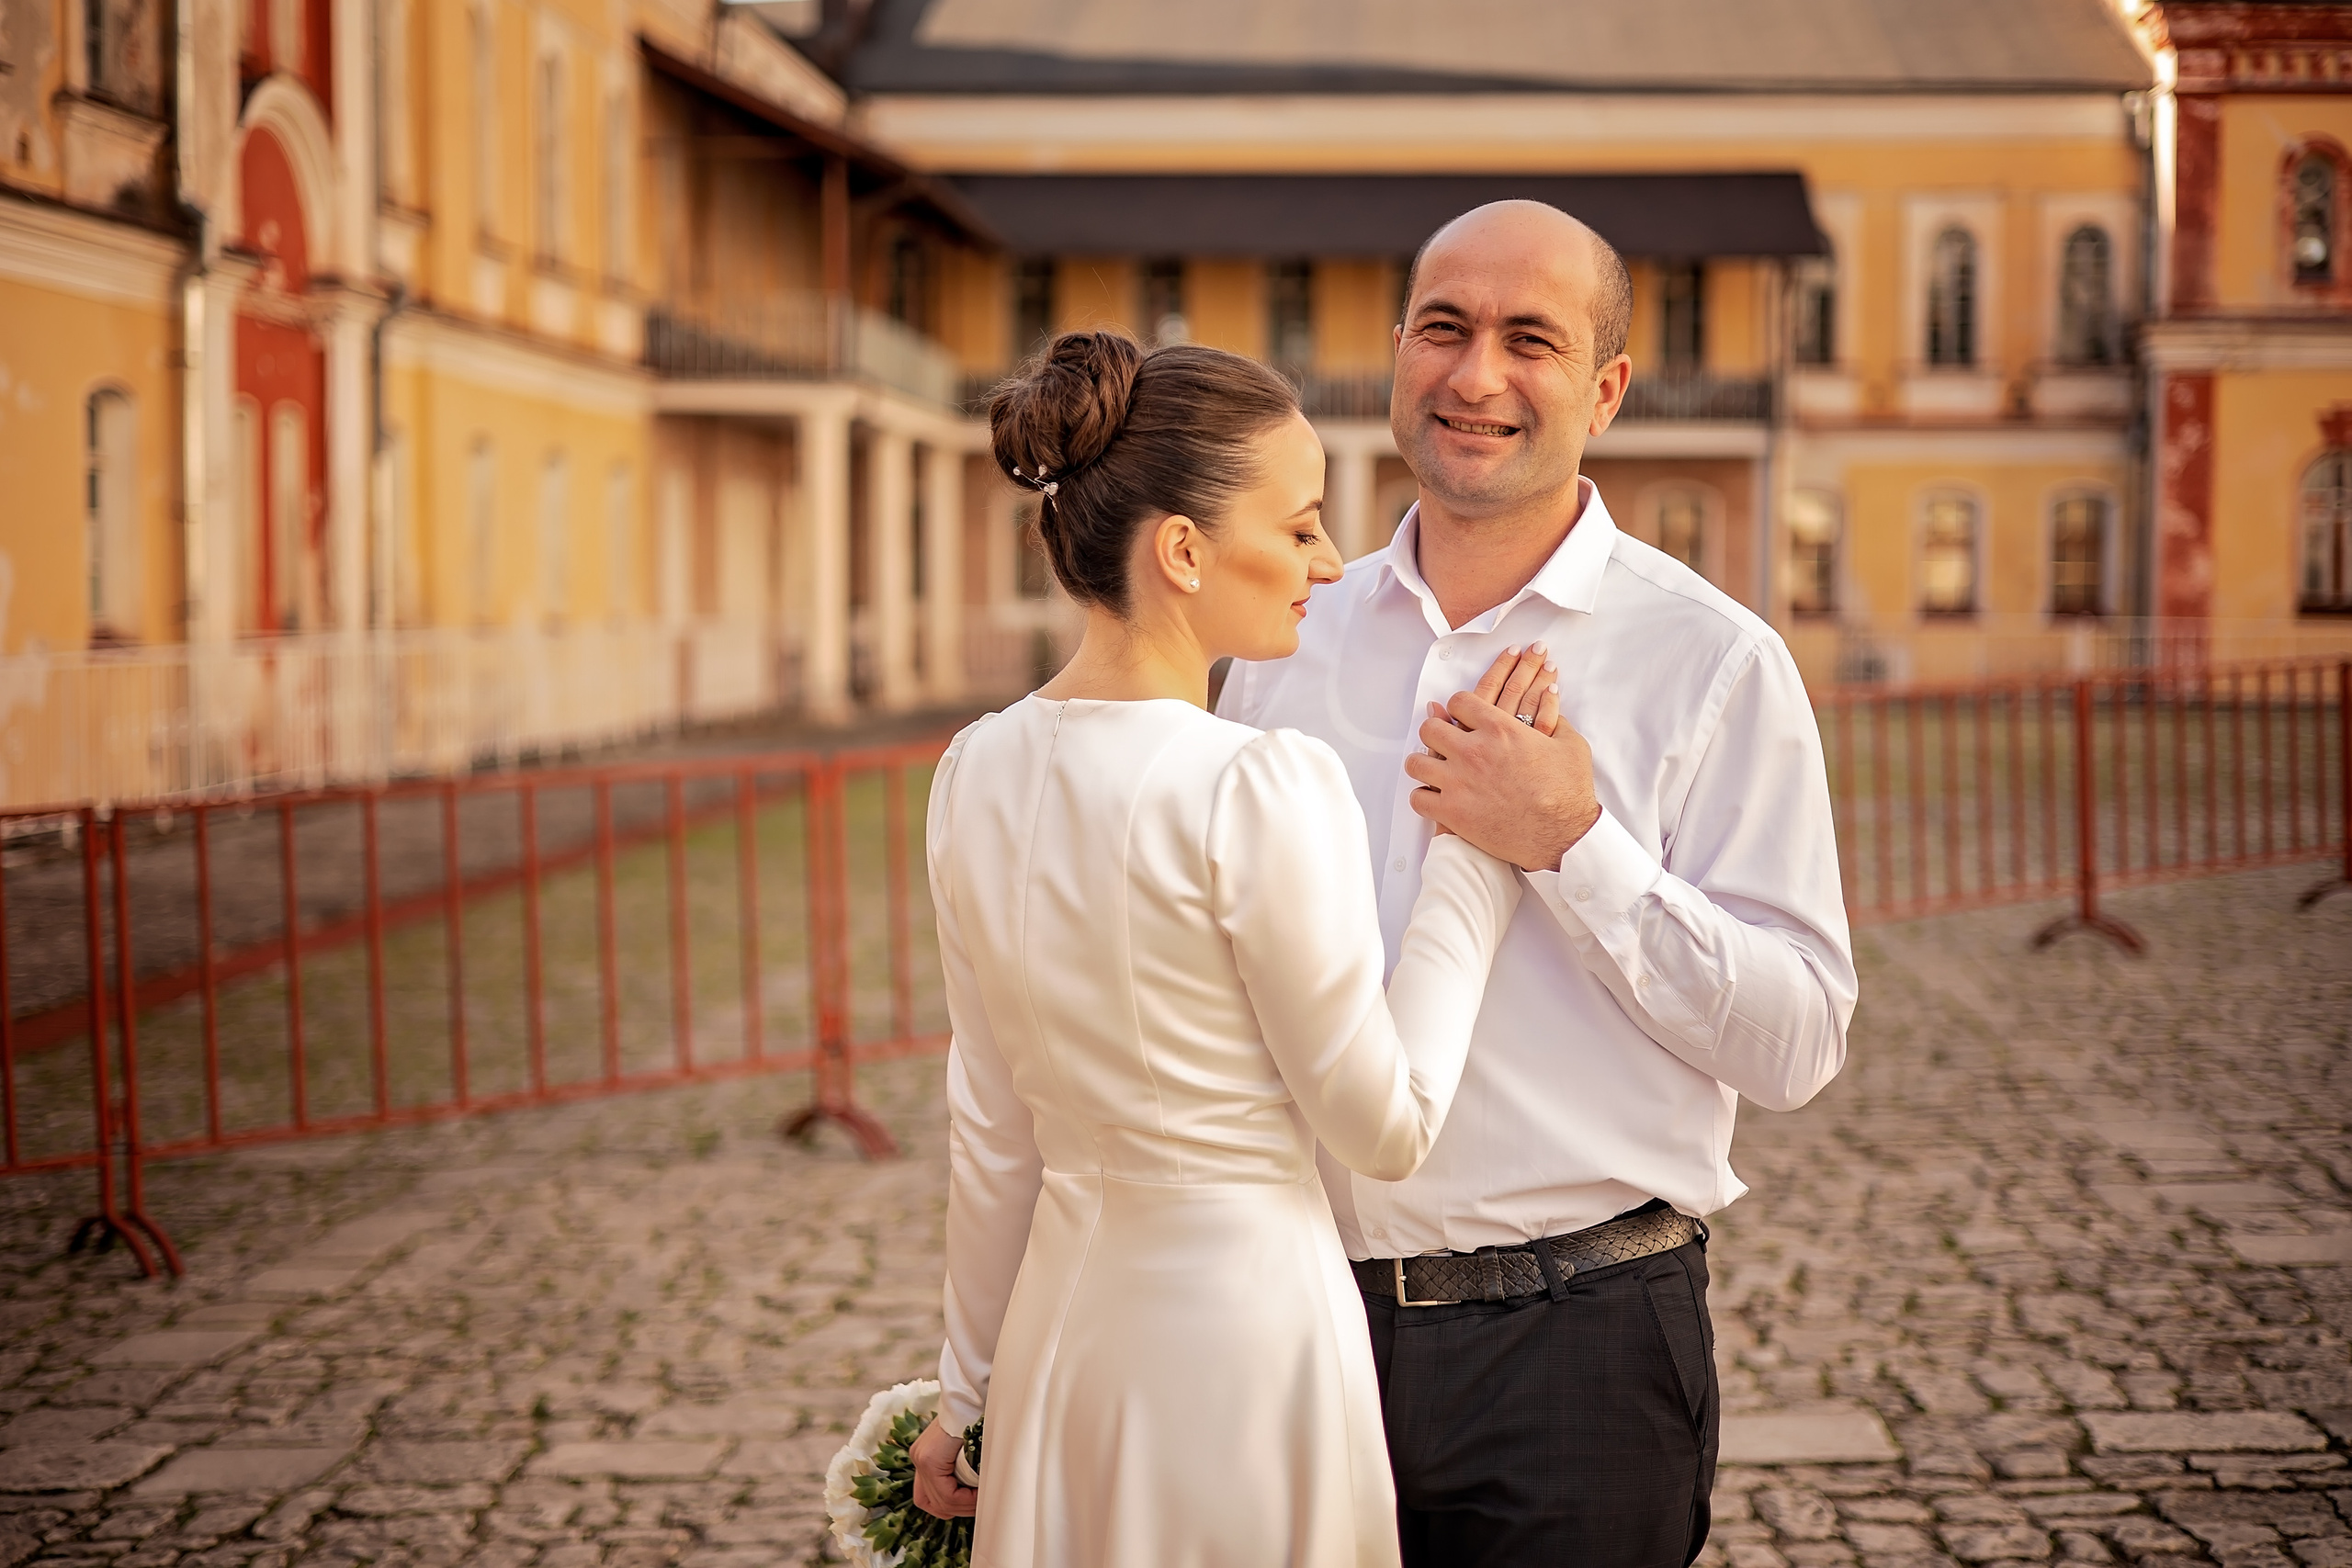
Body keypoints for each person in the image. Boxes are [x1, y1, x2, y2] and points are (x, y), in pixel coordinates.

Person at [1216, 200, 1858, 1567]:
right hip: (1284, 1327)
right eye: (1443, 328)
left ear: (1608, 389)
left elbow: (1799, 1038)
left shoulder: (1715, 663)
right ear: (1397, 352)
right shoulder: (1275, 639)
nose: (1476, 375)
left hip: (1577, 1350)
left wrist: (1577, 842)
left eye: (1532, 340)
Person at [902, 331, 1558, 1566]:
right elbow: (1385, 1125)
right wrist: (1477, 862)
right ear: (1185, 550)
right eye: (1302, 523)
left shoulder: (971, 768)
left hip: (1064, 1338)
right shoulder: (1255, 781)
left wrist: (967, 1396)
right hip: (1245, 1342)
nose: (1325, 559)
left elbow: (991, 1130)